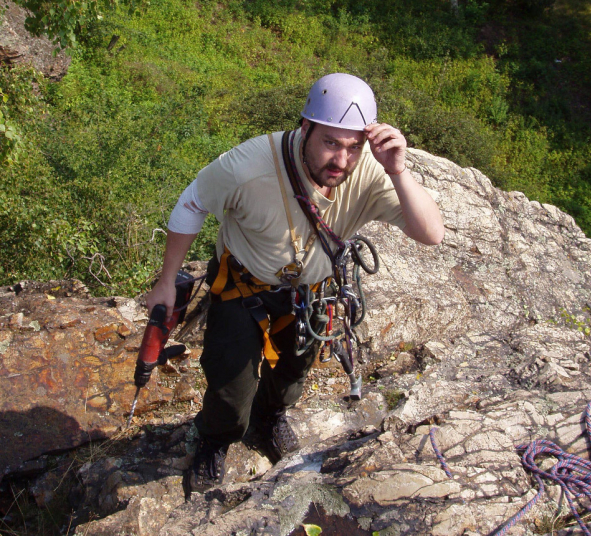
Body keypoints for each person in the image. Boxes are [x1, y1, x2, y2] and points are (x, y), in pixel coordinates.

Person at [146, 73, 444, 492]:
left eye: (354, 146)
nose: (341, 161)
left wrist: (397, 170)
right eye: (330, 143)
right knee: (232, 390)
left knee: (291, 375)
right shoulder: (250, 165)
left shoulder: (370, 173)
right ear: (305, 128)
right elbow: (192, 203)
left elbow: (431, 233)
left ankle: (268, 419)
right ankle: (215, 441)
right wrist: (164, 282)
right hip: (243, 282)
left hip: (310, 290)